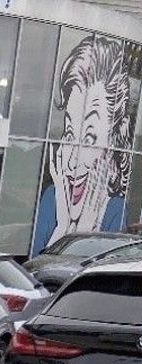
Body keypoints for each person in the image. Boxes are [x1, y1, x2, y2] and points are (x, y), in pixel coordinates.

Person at [34, 34, 133, 254]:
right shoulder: (52, 199)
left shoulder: (115, 211)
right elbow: (35, 268)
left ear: (114, 143)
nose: (71, 163)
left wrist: (88, 231)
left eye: (89, 140)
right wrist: (62, 228)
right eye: (70, 135)